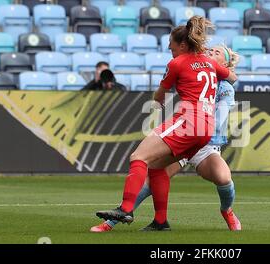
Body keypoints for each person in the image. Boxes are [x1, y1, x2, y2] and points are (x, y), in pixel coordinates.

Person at [94, 15, 237, 231]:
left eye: (171, 44)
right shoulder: (209, 64)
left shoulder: (177, 63)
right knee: (157, 167)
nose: (169, 47)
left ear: (182, 44)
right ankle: (160, 222)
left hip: (190, 124)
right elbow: (232, 77)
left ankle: (125, 209)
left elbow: (159, 95)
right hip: (204, 131)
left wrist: (159, 101)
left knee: (138, 157)